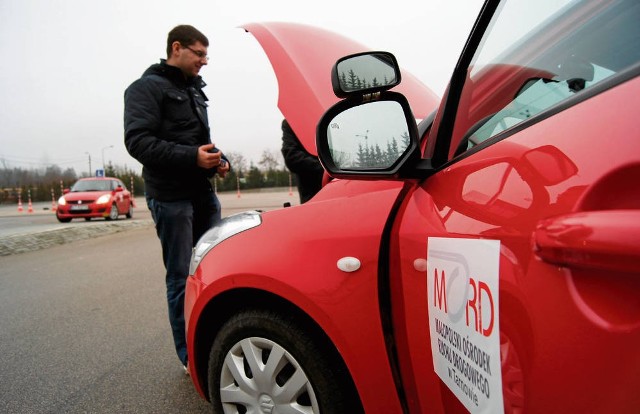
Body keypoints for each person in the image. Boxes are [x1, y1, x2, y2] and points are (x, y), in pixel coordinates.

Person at [123, 24, 230, 372]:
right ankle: (189, 357)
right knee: (182, 276)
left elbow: (199, 140)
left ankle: (211, 341)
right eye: (199, 54)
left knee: (212, 270)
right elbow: (138, 142)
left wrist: (217, 159)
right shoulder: (145, 88)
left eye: (206, 55)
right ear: (177, 47)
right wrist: (192, 158)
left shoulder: (196, 91)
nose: (204, 61)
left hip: (202, 196)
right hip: (171, 200)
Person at [280, 119, 324, 203]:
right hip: (313, 194)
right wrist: (324, 167)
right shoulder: (292, 121)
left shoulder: (327, 117)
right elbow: (292, 157)